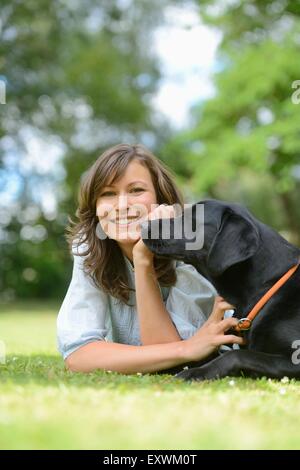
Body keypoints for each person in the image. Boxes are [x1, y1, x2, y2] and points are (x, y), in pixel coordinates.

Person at [57, 143, 243, 374]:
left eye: (136, 190)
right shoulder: (90, 251)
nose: (122, 206)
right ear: (95, 207)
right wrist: (187, 348)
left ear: (161, 199)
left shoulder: (192, 248)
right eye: (108, 194)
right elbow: (78, 355)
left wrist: (143, 258)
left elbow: (171, 364)